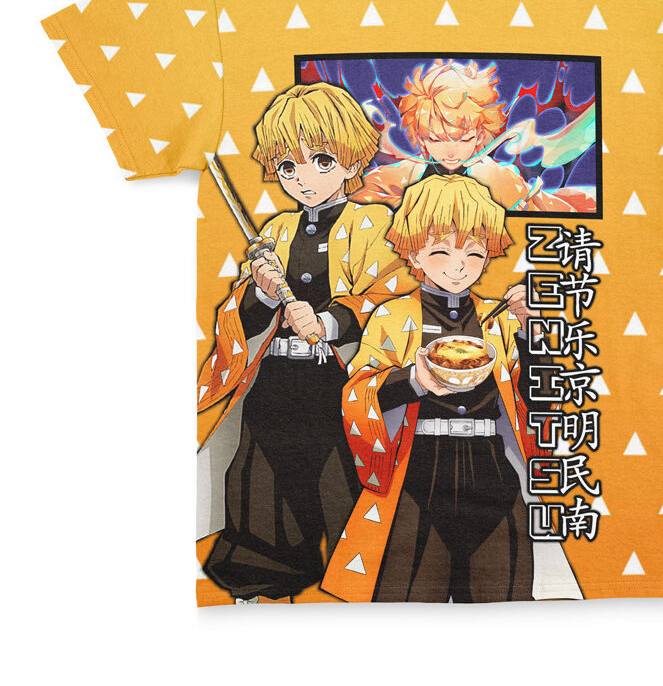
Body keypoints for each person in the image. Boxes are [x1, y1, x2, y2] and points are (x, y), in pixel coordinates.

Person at [196, 82, 413, 602]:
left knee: (340, 486)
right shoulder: (276, 231)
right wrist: (262, 293)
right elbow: (240, 316)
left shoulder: (373, 224)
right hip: (274, 385)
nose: (304, 179)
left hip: (335, 387)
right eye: (289, 167)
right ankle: (260, 587)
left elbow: (389, 294)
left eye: (321, 161)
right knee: (263, 485)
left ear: (351, 159)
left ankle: (353, 587)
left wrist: (330, 322)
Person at [321, 174, 568, 602]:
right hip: (417, 474)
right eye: (440, 251)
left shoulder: (500, 318)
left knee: (505, 597)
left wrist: (531, 331)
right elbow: (358, 394)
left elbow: (540, 398)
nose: (458, 266)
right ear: (413, 252)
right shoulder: (393, 316)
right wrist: (414, 381)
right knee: (408, 598)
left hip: (494, 472)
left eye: (473, 253)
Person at [352, 58, 597, 212]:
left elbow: (544, 212)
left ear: (480, 137)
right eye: (437, 139)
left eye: (464, 139)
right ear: (422, 138)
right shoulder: (405, 174)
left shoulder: (499, 177)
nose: (451, 152)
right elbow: (358, 200)